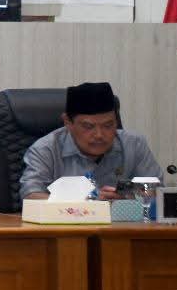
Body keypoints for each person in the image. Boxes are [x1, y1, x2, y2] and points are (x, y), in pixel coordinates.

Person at [20, 81, 161, 202]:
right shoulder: (46, 150)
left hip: (122, 224)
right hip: (69, 224)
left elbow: (157, 192)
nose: (99, 135)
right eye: (88, 126)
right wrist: (87, 201)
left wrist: (128, 195)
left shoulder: (134, 145)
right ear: (67, 122)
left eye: (108, 125)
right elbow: (30, 196)